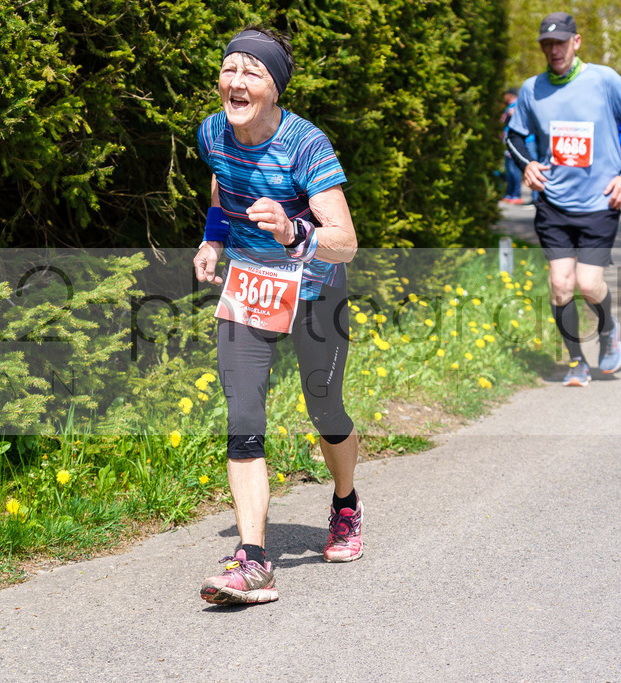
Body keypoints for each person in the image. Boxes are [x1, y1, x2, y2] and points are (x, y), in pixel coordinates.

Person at [193, 26, 363, 606]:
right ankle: (253, 559)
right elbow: (222, 191)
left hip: (315, 287)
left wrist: (296, 232)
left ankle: (345, 503)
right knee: (243, 411)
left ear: (274, 88)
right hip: (251, 283)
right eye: (229, 68)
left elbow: (346, 241)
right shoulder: (213, 132)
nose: (236, 81)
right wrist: (213, 242)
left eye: (252, 72)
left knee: (325, 407)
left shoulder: (306, 145)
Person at [506, 12, 621, 387]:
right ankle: (576, 362)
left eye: (561, 42)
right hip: (553, 202)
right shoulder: (532, 88)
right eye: (547, 44)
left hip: (600, 202)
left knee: (588, 284)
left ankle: (608, 330)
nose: (554, 50)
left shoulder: (603, 79)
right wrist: (528, 165)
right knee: (560, 284)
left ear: (577, 42)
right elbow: (514, 136)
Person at [502, 88, 523, 204]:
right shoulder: (510, 106)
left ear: (509, 95)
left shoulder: (517, 104)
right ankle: (510, 193)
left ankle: (516, 194)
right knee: (509, 169)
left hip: (515, 140)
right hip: (508, 140)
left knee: (514, 169)